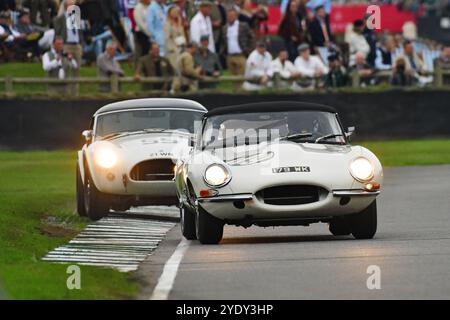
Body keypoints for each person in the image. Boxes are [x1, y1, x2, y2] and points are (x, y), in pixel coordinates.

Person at [220, 6, 255, 76]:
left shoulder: (243, 26)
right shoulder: (224, 28)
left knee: (241, 77)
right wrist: (223, 52)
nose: (230, 17)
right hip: (229, 56)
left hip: (241, 55)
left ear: (236, 16)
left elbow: (252, 38)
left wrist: (249, 50)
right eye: (229, 16)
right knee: (233, 77)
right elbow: (223, 41)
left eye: (232, 16)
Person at [54, 0, 83, 70]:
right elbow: (57, 32)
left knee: (77, 67)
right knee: (66, 66)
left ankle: (76, 81)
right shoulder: (60, 18)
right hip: (66, 45)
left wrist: (81, 43)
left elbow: (79, 32)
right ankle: (66, 81)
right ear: (66, 6)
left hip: (77, 45)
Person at [164, 4, 186, 69]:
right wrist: (172, 48)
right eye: (173, 12)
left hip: (181, 47)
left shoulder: (179, 23)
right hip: (173, 49)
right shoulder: (167, 24)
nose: (175, 13)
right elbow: (167, 38)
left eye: (176, 12)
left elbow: (182, 35)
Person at [133, 0, 151, 65]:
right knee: (139, 53)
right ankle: (138, 70)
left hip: (150, 33)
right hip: (141, 33)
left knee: (148, 53)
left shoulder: (150, 7)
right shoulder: (138, 8)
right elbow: (140, 23)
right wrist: (149, 33)